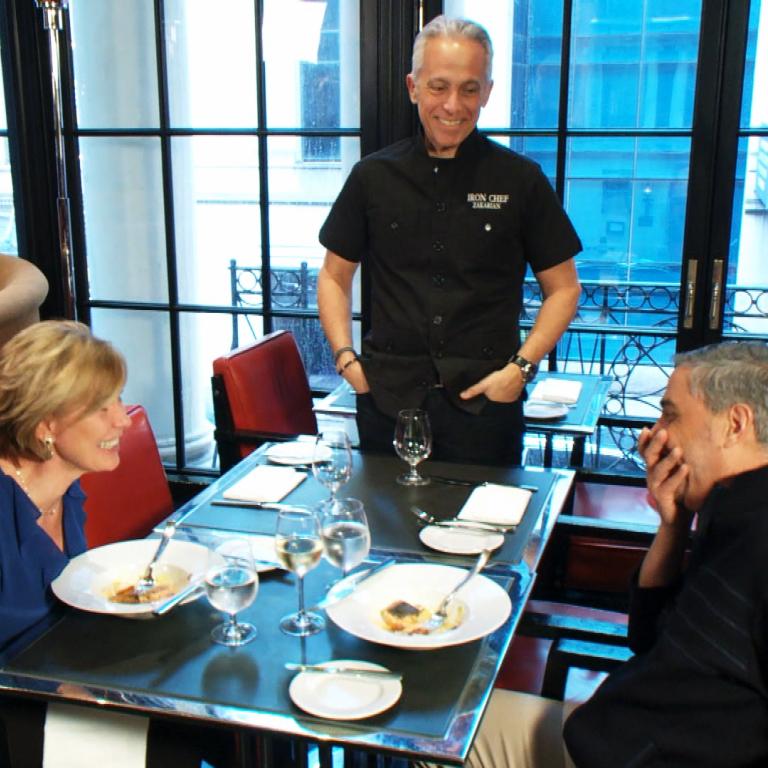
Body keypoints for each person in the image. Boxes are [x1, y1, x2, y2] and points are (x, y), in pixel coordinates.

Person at [457, 340, 768, 767]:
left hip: (624, 749)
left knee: (442, 735)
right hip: (607, 735)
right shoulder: (728, 508)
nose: (654, 434)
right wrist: (672, 524)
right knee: (453, 729)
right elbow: (646, 638)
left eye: (671, 415)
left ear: (736, 423)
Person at [318, 15, 582, 465]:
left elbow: (565, 288)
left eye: (470, 88)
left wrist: (520, 369)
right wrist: (347, 362)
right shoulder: (372, 177)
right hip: (388, 402)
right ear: (413, 87)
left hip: (486, 406)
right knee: (389, 529)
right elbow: (333, 276)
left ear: (488, 92)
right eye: (439, 87)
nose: (453, 105)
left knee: (489, 532)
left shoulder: (522, 181)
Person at [0, 320, 234, 768]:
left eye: (119, 401)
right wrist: (66, 694)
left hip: (71, 669)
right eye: (100, 408)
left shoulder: (67, 488)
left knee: (214, 699)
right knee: (180, 739)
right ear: (46, 424)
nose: (123, 421)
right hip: (19, 715)